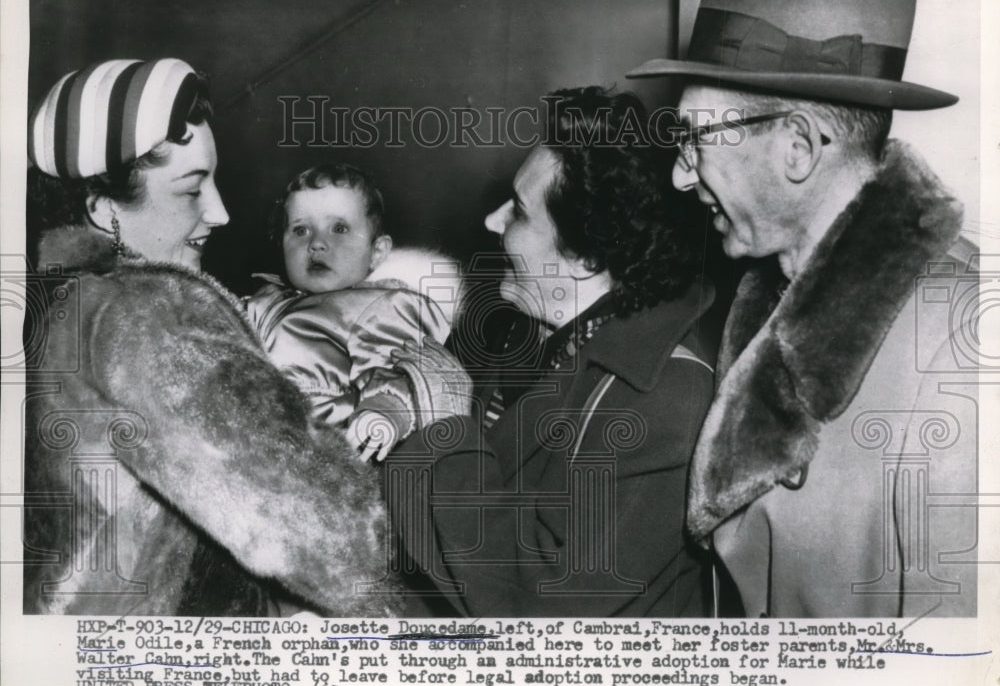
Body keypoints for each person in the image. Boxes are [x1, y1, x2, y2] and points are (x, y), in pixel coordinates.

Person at [628, 0, 979, 617]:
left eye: (693, 139)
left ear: (796, 148)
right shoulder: (768, 303)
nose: (679, 177)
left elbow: (960, 675)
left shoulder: (960, 349)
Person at [23, 58, 398, 616]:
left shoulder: (51, 310)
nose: (219, 211)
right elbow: (320, 529)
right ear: (104, 211)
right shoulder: (146, 312)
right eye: (192, 188)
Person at [392, 86, 716, 617]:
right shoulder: (512, 331)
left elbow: (541, 608)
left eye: (518, 212)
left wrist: (447, 428)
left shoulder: (667, 402)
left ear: (585, 256)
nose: (492, 222)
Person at [246, 163, 460, 462]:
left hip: (323, 452)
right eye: (300, 229)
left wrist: (387, 411)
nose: (317, 243)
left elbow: (407, 368)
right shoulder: (264, 299)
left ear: (377, 252)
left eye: (340, 228)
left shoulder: (382, 306)